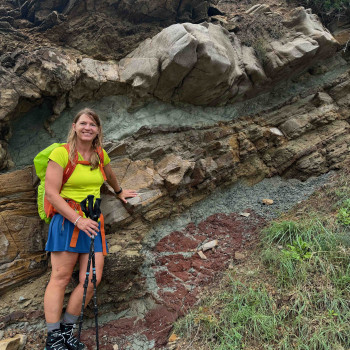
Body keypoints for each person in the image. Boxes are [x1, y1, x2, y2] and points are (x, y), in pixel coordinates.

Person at [43, 108, 137, 350]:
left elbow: (109, 174)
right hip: (68, 221)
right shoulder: (60, 154)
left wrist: (119, 191)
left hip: (93, 223)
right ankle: (54, 339)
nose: (87, 128)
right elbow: (52, 194)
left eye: (92, 124)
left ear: (98, 130)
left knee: (92, 279)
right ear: (74, 126)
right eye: (83, 123)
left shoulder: (99, 154)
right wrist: (77, 220)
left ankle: (66, 331)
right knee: (60, 278)